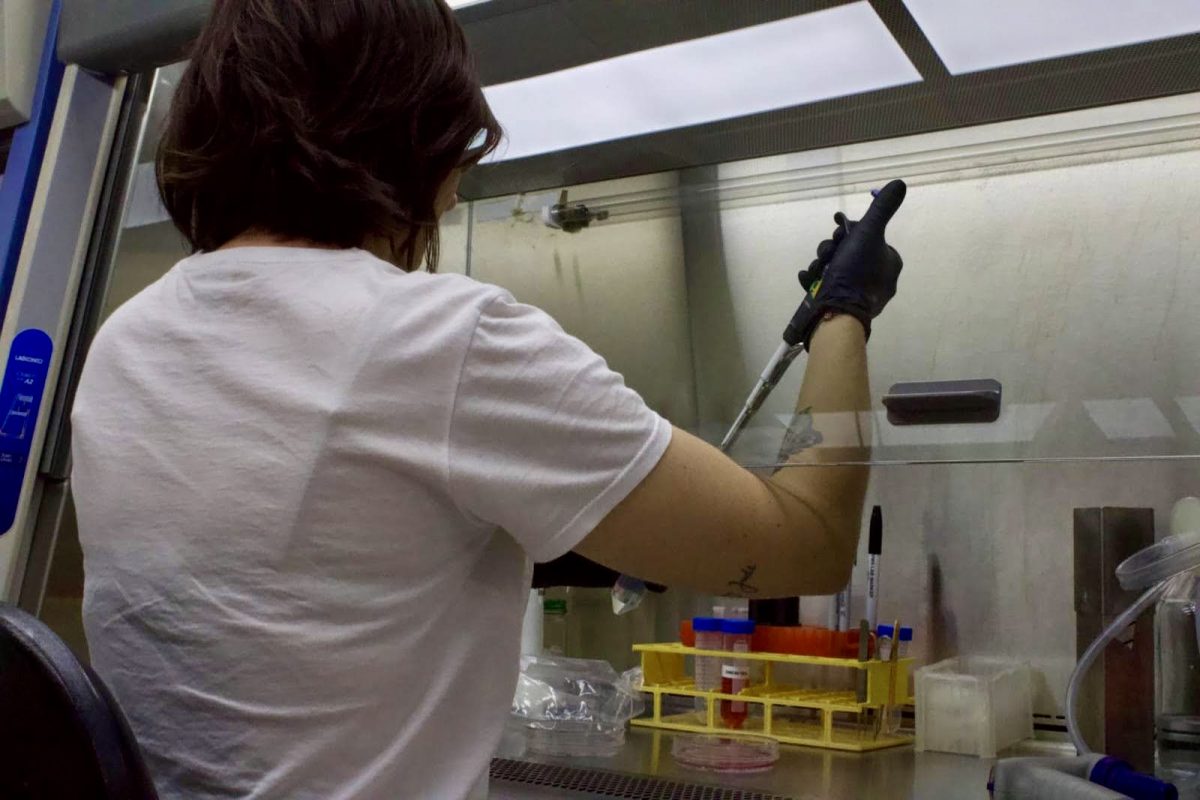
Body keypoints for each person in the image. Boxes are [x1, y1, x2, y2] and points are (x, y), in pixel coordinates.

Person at [69, 1, 906, 798]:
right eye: (457, 152)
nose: (458, 191)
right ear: (407, 133)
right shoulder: (439, 340)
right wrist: (844, 313)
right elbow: (814, 542)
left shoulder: (125, 342)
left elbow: (298, 574)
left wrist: (547, 533)